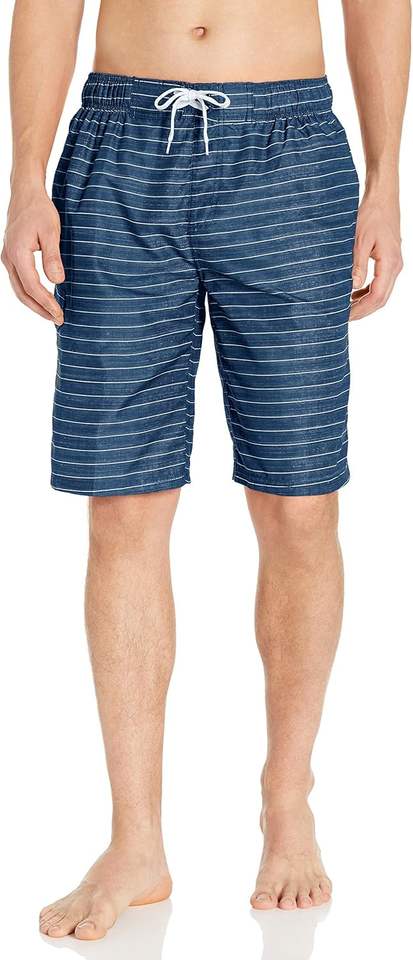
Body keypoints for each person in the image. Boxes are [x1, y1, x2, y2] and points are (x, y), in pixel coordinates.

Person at [2, 0, 410, 942]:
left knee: (299, 503)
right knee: (122, 507)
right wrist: (25, 179)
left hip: (289, 150)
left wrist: (386, 180)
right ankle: (135, 842)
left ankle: (287, 800)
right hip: (118, 146)